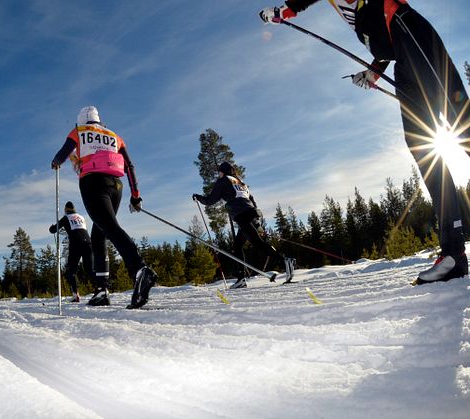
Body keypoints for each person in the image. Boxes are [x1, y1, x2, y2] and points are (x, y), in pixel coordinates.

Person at [259, 0, 469, 284]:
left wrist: (288, 9)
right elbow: (383, 45)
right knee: (422, 145)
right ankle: (453, 253)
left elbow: (388, 25)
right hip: (401, 59)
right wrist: (373, 72)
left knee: (461, 123)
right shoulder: (358, 19)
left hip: (411, 33)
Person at [51, 105, 158, 308]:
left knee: (110, 228)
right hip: (116, 184)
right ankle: (101, 289)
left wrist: (56, 162)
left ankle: (140, 270)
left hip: (93, 182)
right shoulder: (114, 136)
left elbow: (62, 153)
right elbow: (129, 165)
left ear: (81, 120)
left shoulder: (79, 131)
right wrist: (136, 196)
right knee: (99, 234)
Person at [193, 161, 295, 289]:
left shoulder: (223, 180)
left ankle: (284, 261)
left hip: (242, 215)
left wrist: (198, 197)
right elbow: (252, 201)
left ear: (223, 171)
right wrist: (257, 222)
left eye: (219, 172)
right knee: (237, 245)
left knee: (257, 243)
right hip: (252, 213)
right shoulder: (240, 183)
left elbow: (210, 200)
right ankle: (241, 279)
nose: (218, 175)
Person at [49, 201, 93, 303]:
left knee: (71, 270)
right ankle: (99, 290)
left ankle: (75, 294)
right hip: (88, 243)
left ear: (66, 210)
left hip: (76, 244)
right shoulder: (81, 217)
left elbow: (53, 230)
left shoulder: (67, 217)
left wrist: (52, 227)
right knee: (90, 269)